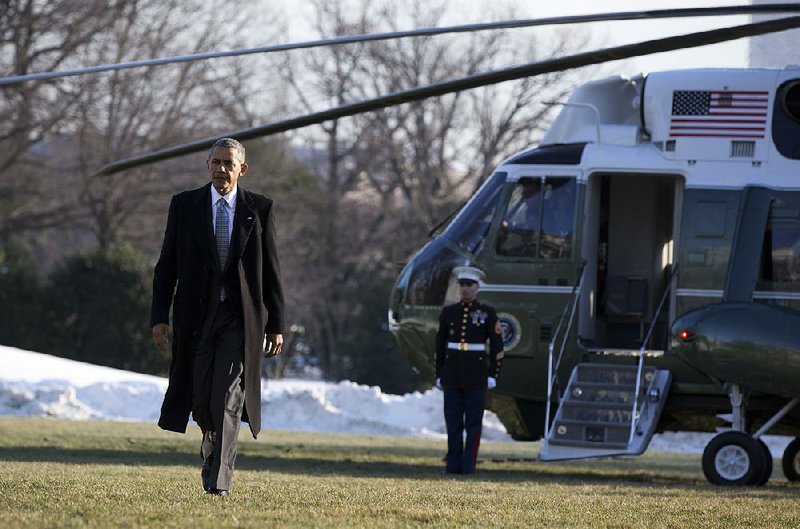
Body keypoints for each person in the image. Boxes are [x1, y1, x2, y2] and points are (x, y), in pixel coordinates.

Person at [151, 137, 285, 496]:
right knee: (200, 396)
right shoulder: (184, 206)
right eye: (216, 162)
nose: (221, 169)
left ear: (242, 169)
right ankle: (210, 441)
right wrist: (159, 316)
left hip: (240, 320)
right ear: (207, 165)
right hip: (195, 317)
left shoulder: (260, 209)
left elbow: (270, 271)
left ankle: (219, 481)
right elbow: (166, 266)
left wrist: (276, 324)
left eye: (229, 163)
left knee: (227, 394)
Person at [435, 266, 504, 474]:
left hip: (476, 376)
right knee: (453, 422)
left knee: (473, 424)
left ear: (477, 287)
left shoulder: (487, 313)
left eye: (469, 285)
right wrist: (439, 373)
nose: (465, 289)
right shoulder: (449, 313)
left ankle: (468, 466)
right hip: (452, 376)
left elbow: (497, 347)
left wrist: (493, 374)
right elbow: (440, 346)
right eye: (462, 285)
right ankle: (453, 464)